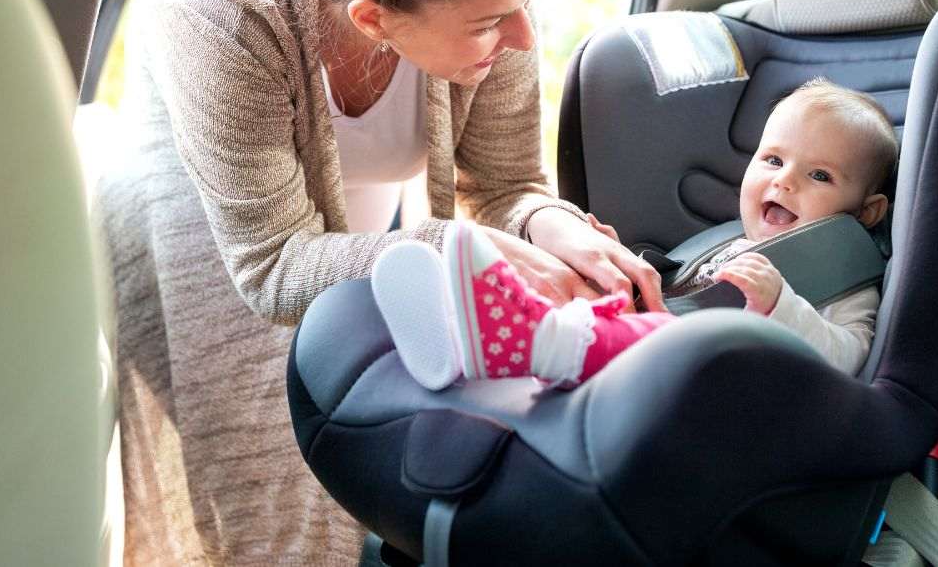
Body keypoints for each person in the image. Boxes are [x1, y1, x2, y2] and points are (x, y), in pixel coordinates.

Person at [111, 0, 664, 563]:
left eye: (523, 3)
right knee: (261, 501)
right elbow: (274, 269)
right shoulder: (223, 6)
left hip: (351, 233)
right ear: (372, 18)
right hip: (204, 234)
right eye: (494, 22)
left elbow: (504, 186)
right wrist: (444, 249)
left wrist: (550, 225)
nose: (525, 38)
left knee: (363, 463)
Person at [372, 79, 899, 390]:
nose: (784, 180)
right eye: (774, 159)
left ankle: (524, 339)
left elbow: (849, 359)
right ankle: (460, 328)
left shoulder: (842, 273)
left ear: (868, 211)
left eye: (820, 176)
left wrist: (782, 304)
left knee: (606, 329)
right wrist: (617, 256)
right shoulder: (733, 243)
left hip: (711, 383)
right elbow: (683, 298)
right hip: (668, 343)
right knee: (586, 285)